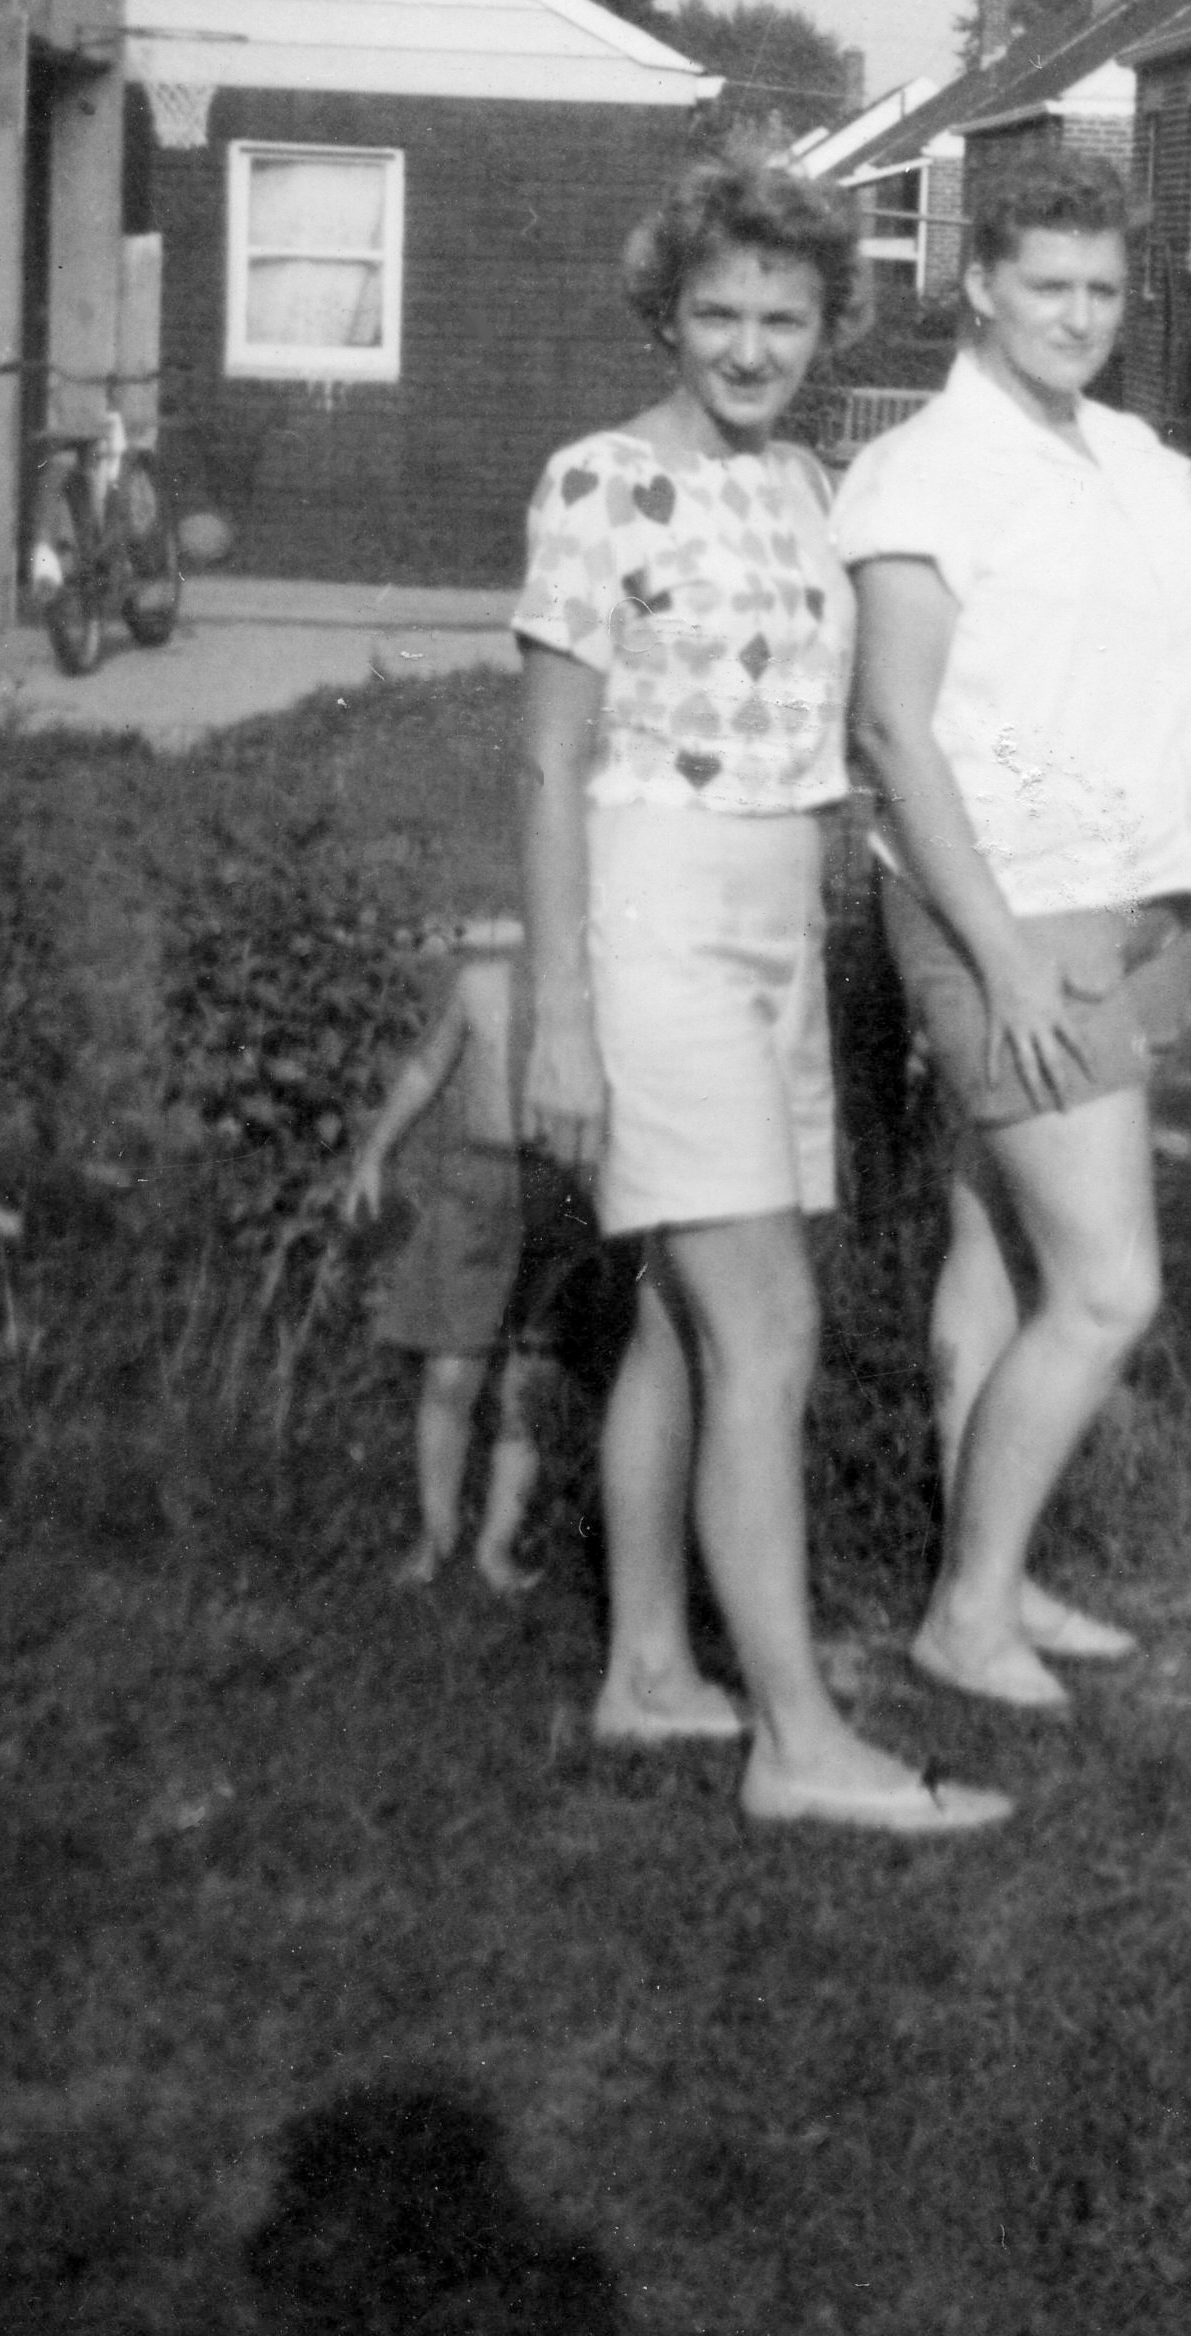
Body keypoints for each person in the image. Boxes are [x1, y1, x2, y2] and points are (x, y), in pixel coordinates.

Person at [518, 143, 1010, 1838]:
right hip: (652, 905)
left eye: (780, 317)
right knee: (769, 1320)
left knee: (675, 1310)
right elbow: (545, 769)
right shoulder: (595, 483)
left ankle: (651, 1664)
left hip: (775, 913)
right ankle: (798, 1739)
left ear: (825, 326)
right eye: (716, 312)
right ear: (668, 311)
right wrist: (561, 1015)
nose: (746, 345)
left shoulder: (815, 486)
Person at [834, 151, 1191, 1718]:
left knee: (995, 1242)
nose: (1079, 314)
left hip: (1130, 892)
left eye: (1104, 287)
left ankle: (991, 1574)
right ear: (980, 285)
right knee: (1111, 1285)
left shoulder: (1131, 450)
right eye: (1047, 284)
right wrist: (999, 951)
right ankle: (966, 1608)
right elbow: (893, 723)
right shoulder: (927, 469)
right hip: (1002, 901)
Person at [344, 916, 622, 1595]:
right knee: (451, 1373)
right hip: (478, 1183)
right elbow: (425, 1070)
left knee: (530, 1377)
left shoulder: (609, 991)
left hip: (560, 1187)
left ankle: (495, 1547)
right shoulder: (480, 984)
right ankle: (434, 1537)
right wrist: (376, 1151)